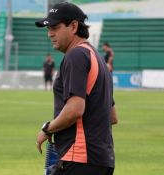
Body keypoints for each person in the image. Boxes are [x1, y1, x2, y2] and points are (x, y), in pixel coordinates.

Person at [35, 2, 118, 175]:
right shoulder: (97, 57)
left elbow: (75, 110)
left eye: (55, 27)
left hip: (79, 158)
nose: (50, 34)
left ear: (73, 26)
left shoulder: (76, 55)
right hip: (101, 160)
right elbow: (112, 116)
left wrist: (47, 128)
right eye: (48, 29)